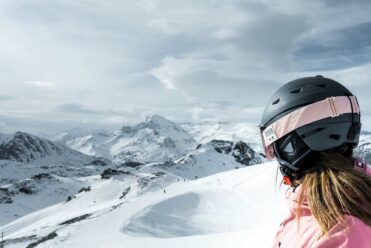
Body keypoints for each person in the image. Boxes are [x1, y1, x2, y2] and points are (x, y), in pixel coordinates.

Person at [259, 76, 371, 248]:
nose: (276, 155)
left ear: (302, 138)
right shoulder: (325, 207)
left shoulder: (340, 232)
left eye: (276, 142)